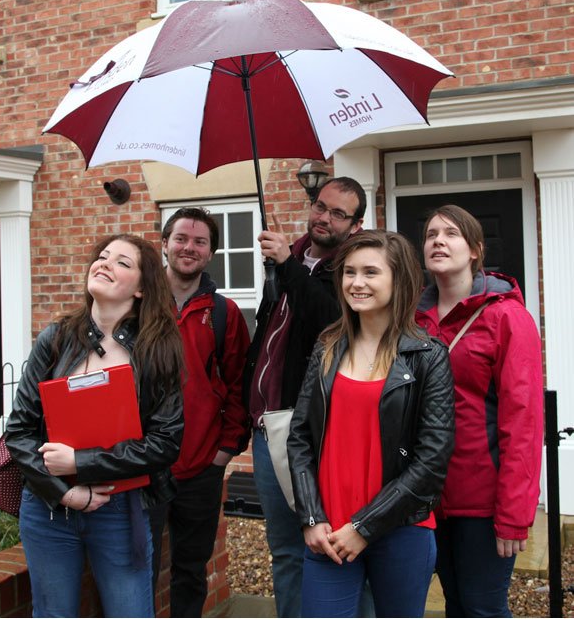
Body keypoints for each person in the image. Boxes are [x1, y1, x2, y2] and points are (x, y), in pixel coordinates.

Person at [5, 234, 184, 618]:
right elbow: (19, 432)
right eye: (102, 256)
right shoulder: (55, 339)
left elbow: (165, 443)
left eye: (122, 262)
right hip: (49, 508)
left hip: (120, 510)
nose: (104, 263)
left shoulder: (157, 348)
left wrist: (79, 462)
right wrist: (62, 491)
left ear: (140, 288)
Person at [287, 229, 455, 618]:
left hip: (400, 530)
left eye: (370, 273)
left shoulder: (428, 357)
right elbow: (299, 439)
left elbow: (432, 461)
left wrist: (363, 527)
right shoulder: (327, 346)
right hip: (327, 533)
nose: (356, 283)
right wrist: (311, 516)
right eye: (349, 272)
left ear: (400, 280)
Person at [244, 176, 366, 617]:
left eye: (338, 213)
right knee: (284, 549)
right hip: (264, 428)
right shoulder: (289, 258)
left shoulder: (350, 268)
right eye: (320, 205)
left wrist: (288, 268)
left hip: (310, 432)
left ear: (355, 225)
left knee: (325, 543)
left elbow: (330, 323)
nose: (324, 217)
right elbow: (267, 337)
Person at [416, 204, 543, 618]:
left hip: (482, 502)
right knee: (455, 605)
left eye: (451, 234)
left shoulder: (507, 316)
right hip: (426, 495)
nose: (438, 241)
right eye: (431, 234)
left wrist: (514, 514)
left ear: (475, 249)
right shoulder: (414, 320)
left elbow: (523, 421)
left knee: (482, 607)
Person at [149, 207, 250, 617]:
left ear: (210, 254)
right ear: (165, 245)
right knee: (137, 568)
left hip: (200, 469)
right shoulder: (140, 306)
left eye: (200, 242)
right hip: (142, 467)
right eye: (181, 239)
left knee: (190, 572)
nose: (189, 247)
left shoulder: (224, 314)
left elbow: (240, 388)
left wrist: (224, 452)